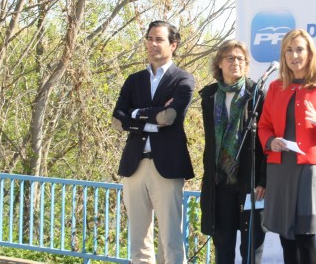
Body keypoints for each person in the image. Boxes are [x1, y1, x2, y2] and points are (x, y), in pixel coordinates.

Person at [258, 29, 316, 264]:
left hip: (309, 170)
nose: (294, 55)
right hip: (280, 168)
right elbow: (263, 126)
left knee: (305, 236)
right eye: (289, 50)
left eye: (299, 49)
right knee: (286, 237)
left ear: (309, 53)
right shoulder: (276, 87)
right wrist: (270, 142)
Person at [112, 20, 195, 264]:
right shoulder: (133, 80)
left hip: (167, 167)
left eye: (159, 39)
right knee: (138, 241)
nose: (152, 44)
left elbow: (168, 118)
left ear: (173, 44)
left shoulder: (183, 80)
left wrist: (135, 114)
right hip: (134, 165)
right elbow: (117, 120)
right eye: (149, 38)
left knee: (170, 242)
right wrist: (151, 115)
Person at [199, 40, 267, 264]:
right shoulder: (209, 96)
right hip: (220, 183)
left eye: (240, 59)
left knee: (251, 245)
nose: (235, 62)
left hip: (249, 182)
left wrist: (263, 180)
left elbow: (264, 140)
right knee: (223, 244)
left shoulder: (256, 94)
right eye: (230, 58)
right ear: (219, 63)